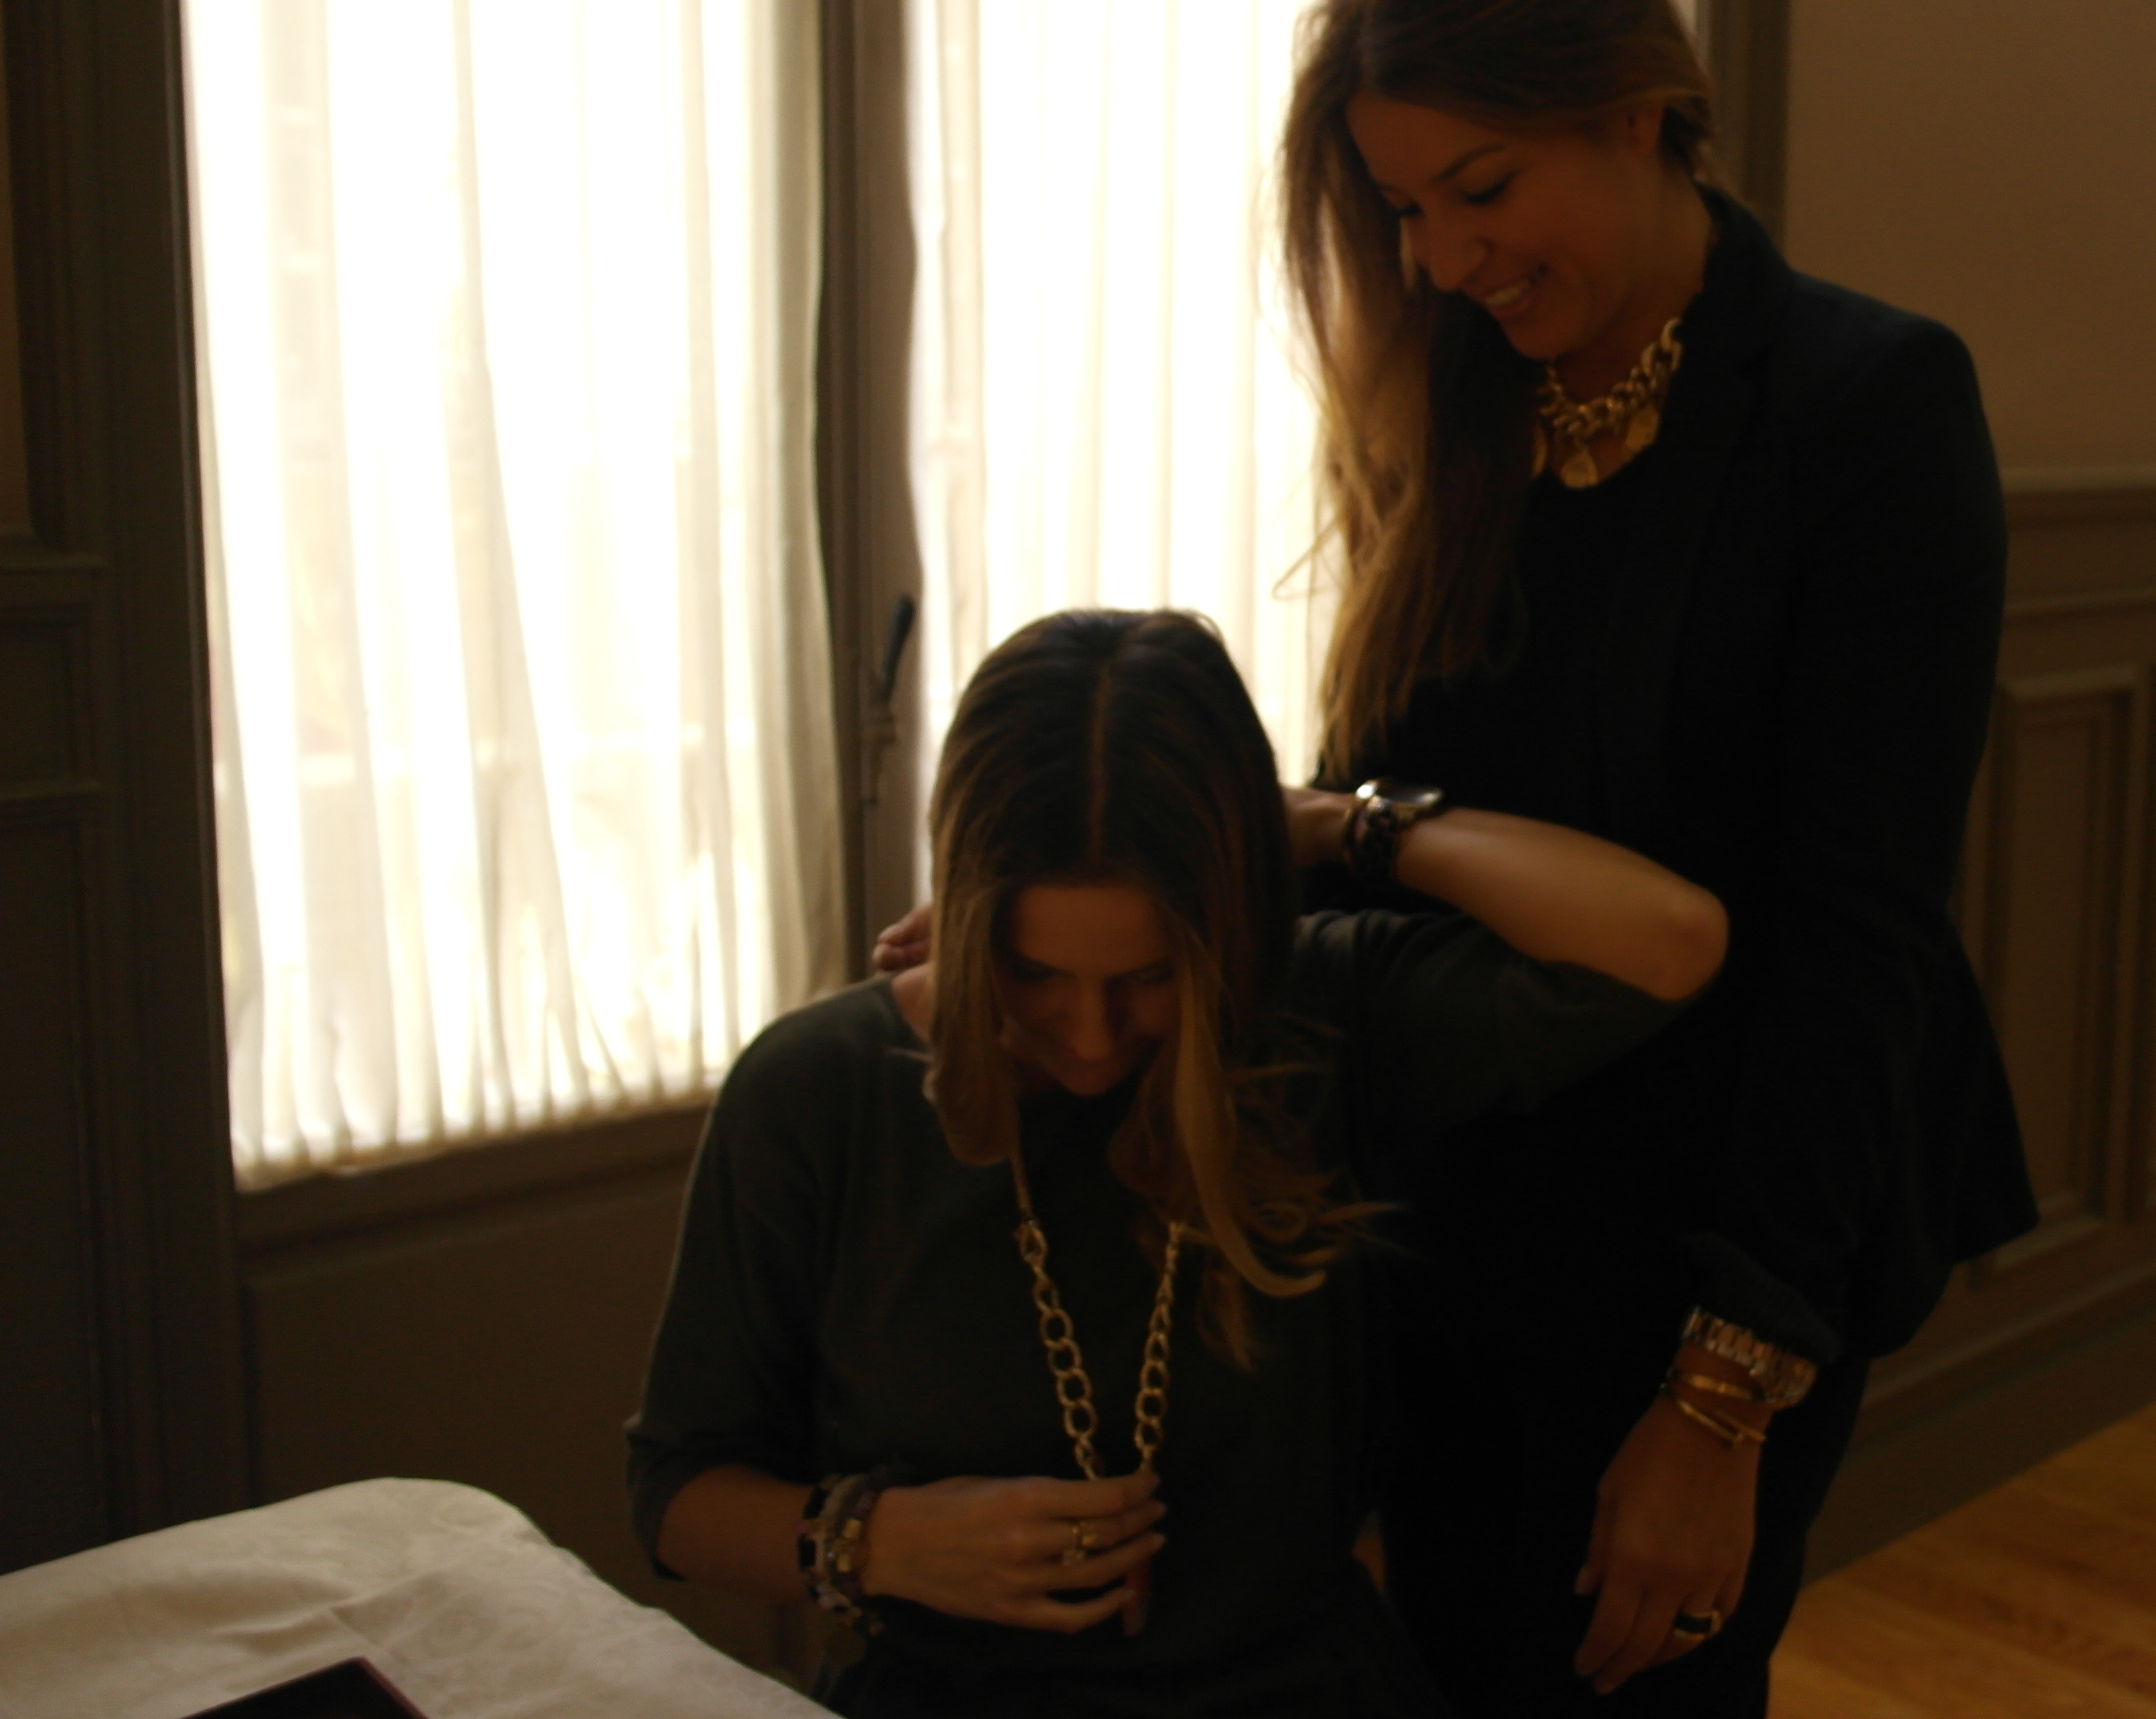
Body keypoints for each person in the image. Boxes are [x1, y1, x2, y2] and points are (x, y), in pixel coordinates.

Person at [1275, 0, 2041, 1712]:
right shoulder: (1451, 393)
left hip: (1723, 1231)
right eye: (1403, 208)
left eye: (1482, 188)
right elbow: (1378, 825)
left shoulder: (1866, 405)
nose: (1441, 258)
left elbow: (1858, 936)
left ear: (1635, 108)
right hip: (1454, 1202)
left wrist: (1718, 1400)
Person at [631, 608, 1727, 1719]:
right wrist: (881, 1543)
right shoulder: (817, 1091)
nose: (1090, 1037)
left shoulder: (1316, 1017)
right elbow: (678, 1495)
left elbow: (1668, 939)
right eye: (1032, 971)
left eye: (1153, 977)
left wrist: (1332, 825)